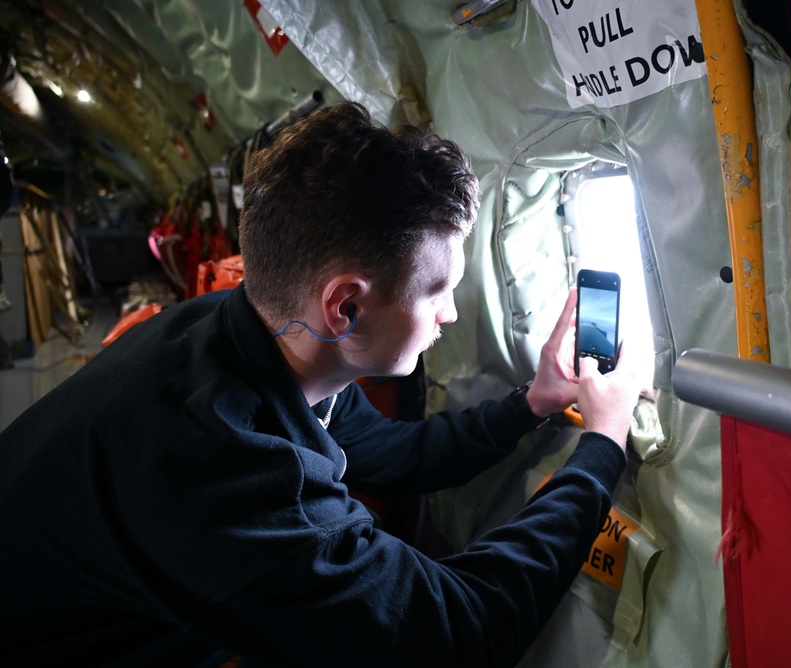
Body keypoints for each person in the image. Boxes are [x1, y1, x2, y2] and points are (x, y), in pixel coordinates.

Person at [0, 102, 641, 667]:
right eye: (438, 290)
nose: (447, 314)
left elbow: (394, 455)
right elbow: (460, 632)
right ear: (346, 307)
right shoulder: (224, 464)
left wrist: (531, 403)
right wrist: (603, 445)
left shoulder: (248, 338)